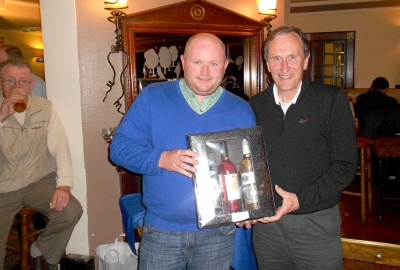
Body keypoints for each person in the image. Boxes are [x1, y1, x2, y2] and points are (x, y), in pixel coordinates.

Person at [110, 33, 255, 269]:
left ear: (225, 66)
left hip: (218, 235)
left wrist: (248, 206)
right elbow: (119, 148)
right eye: (197, 62)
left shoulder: (241, 110)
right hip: (162, 232)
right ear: (183, 61)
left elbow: (246, 171)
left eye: (214, 63)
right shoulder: (152, 98)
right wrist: (161, 158)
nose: (205, 71)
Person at [247, 26, 358, 269]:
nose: (284, 67)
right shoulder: (254, 106)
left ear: (306, 60)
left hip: (315, 225)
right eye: (276, 58)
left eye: (292, 57)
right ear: (267, 63)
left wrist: (300, 199)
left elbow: (346, 165)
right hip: (267, 230)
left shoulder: (330, 99)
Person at [0, 58, 82, 269]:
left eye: (23, 81)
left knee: (70, 211)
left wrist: (64, 184)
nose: (17, 86)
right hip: (3, 187)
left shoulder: (44, 107)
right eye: (10, 80)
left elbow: (59, 146)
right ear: (1, 83)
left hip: (38, 182)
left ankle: (42, 250)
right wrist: (1, 116)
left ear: (31, 84)